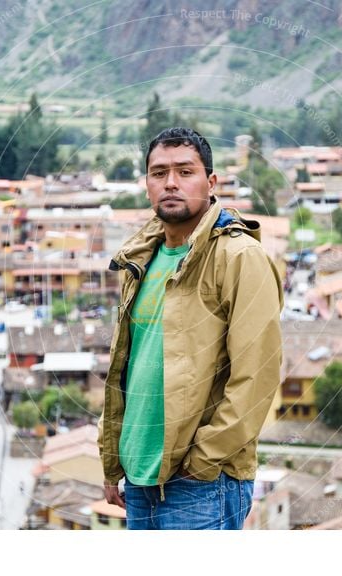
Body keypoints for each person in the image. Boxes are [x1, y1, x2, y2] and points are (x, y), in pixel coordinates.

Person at [98, 127, 283, 530]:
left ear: (211, 182)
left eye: (185, 171)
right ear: (146, 184)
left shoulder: (238, 257)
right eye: (159, 172)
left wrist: (202, 459)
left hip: (202, 483)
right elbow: (127, 370)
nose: (171, 183)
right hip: (141, 477)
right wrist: (115, 461)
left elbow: (257, 375)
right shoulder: (140, 260)